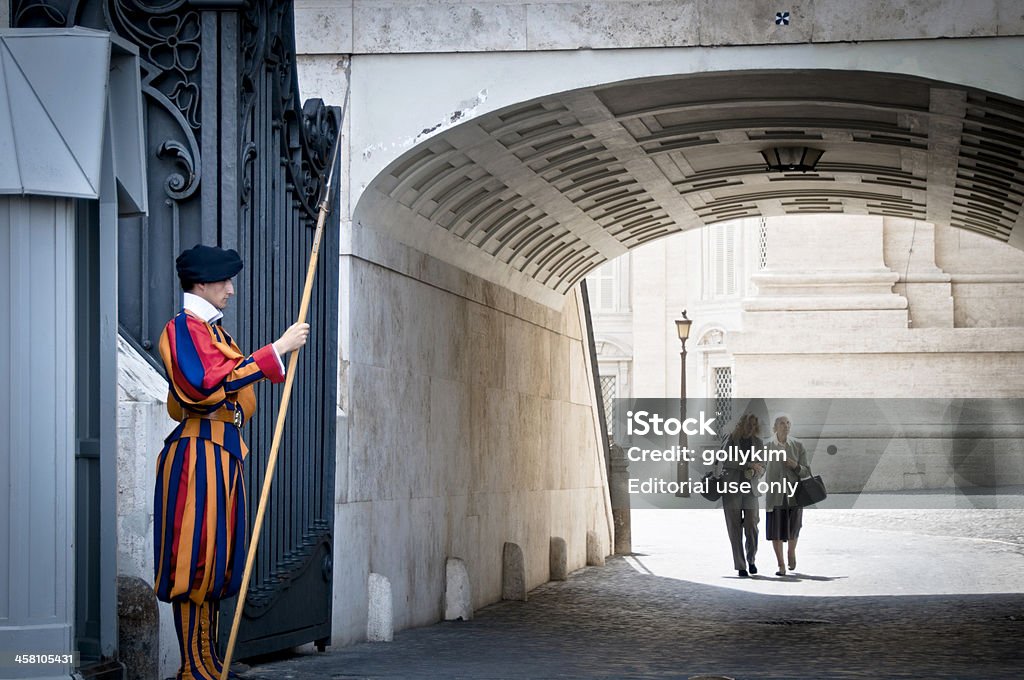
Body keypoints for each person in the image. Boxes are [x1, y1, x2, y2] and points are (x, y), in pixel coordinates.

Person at [153, 244, 309, 680]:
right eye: (224, 281)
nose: (232, 290)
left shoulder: (215, 332)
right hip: (196, 454)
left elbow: (241, 381)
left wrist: (275, 357)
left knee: (218, 564)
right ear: (202, 283)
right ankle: (192, 667)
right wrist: (275, 348)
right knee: (194, 562)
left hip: (222, 454)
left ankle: (208, 661)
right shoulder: (183, 328)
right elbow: (202, 385)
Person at [764, 414, 810, 576]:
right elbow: (760, 467)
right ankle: (781, 565)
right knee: (775, 530)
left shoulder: (798, 445)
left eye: (788, 423)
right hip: (775, 494)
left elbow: (806, 471)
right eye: (782, 423)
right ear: (775, 427)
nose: (786, 426)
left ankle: (791, 552)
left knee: (794, 528)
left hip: (794, 494)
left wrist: (795, 465)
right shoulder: (767, 445)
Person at [721, 413, 765, 577]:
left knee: (752, 525)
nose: (751, 428)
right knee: (734, 528)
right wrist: (748, 464)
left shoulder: (758, 442)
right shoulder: (730, 439)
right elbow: (725, 459)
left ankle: (751, 559)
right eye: (748, 424)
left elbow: (763, 464)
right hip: (731, 489)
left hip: (751, 489)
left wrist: (759, 470)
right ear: (741, 424)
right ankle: (740, 565)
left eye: (754, 425)